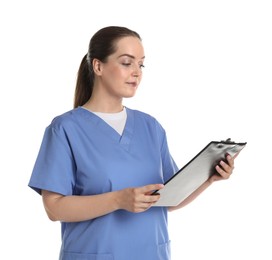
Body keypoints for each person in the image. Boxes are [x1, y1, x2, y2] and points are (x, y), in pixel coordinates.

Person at [28, 26, 238, 260]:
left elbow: (167, 200)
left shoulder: (151, 127)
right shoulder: (65, 129)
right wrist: (118, 200)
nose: (137, 72)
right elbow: (54, 208)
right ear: (98, 66)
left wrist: (209, 177)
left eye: (141, 64)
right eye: (127, 62)